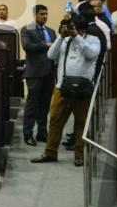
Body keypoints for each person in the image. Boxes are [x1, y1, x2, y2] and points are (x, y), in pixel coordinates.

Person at [31, 15, 100, 167]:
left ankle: (79, 155)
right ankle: (50, 152)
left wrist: (77, 37)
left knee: (81, 122)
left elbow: (91, 54)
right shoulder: (65, 40)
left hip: (83, 88)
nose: (70, 30)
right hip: (62, 87)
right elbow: (51, 55)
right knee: (55, 120)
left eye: (73, 28)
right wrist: (61, 37)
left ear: (81, 28)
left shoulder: (93, 40)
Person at [21, 4, 57, 146]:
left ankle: (42, 133)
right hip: (35, 72)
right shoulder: (28, 28)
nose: (45, 16)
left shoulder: (52, 31)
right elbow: (27, 46)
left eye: (46, 14)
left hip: (49, 72)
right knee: (32, 105)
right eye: (42, 14)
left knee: (45, 104)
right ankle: (28, 133)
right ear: (35, 15)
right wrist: (46, 45)